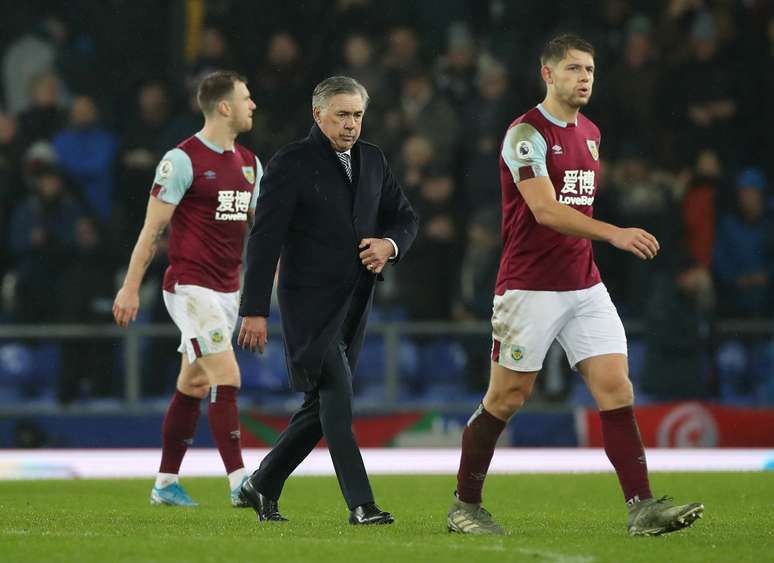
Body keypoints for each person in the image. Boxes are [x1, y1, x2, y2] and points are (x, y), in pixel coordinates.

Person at [445, 34, 704, 537]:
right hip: (529, 287)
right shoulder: (525, 134)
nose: (584, 77)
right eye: (572, 69)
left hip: (584, 284)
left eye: (589, 69)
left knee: (615, 387)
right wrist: (615, 232)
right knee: (507, 398)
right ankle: (465, 505)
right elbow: (544, 211)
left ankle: (642, 508)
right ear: (547, 74)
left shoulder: (591, 131)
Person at [237, 76, 418, 525]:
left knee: (319, 407)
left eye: (357, 114)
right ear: (317, 115)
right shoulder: (291, 162)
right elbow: (264, 240)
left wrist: (389, 245)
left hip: (356, 301)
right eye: (341, 114)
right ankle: (361, 503)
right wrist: (255, 309)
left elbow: (405, 217)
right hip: (308, 304)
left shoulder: (373, 160)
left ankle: (262, 484)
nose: (351, 124)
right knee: (339, 396)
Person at [112, 71, 261, 508]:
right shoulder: (182, 160)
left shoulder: (251, 163)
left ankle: (164, 484)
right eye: (246, 98)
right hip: (190, 287)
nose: (253, 105)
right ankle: (240, 484)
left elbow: (261, 230)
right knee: (227, 376)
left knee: (193, 383)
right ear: (224, 107)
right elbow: (152, 229)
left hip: (227, 289)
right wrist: (130, 287)